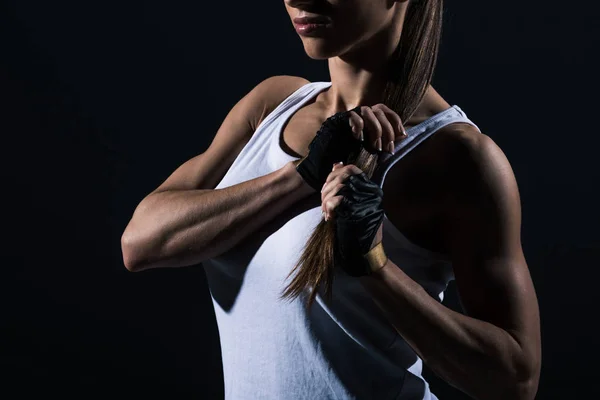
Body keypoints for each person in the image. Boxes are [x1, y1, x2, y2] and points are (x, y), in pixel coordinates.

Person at [120, 0, 541, 399]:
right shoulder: (273, 105)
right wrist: (299, 178)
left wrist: (374, 267)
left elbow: (515, 381)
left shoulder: (457, 156)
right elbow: (140, 243)